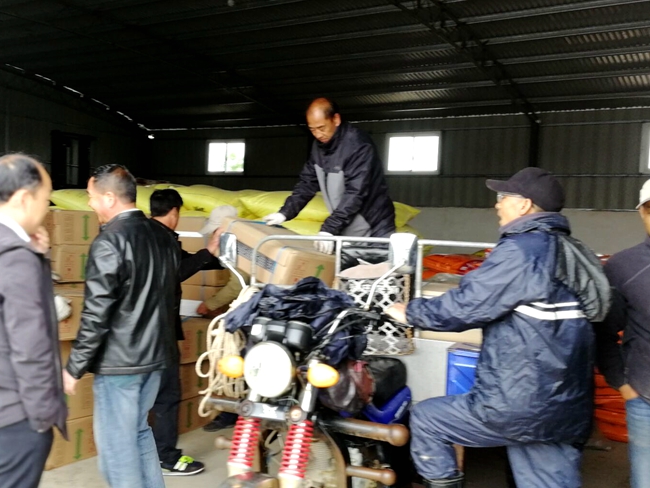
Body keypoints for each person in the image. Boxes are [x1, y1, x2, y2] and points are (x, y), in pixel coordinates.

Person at [386, 167, 611, 488]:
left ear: (524, 205)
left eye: (504, 197)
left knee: (428, 419)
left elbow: (467, 305)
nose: (497, 204)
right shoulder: (579, 253)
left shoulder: (521, 251)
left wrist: (410, 311)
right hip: (566, 409)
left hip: (518, 404)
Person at [63, 165, 180, 488]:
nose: (89, 203)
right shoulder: (163, 236)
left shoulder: (109, 241)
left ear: (109, 197)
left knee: (116, 449)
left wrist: (74, 367)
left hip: (121, 365)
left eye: (91, 196)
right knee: (139, 432)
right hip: (156, 358)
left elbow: (97, 314)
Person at [0, 154, 67, 488]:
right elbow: (30, 346)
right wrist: (41, 418)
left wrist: (39, 258)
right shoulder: (15, 257)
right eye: (46, 199)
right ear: (24, 199)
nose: (47, 208)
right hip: (14, 419)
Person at [148, 189, 224, 476]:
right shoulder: (162, 239)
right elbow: (175, 271)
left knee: (145, 396)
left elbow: (184, 261)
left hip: (140, 332)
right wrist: (209, 250)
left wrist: (214, 256)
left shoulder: (143, 234)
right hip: (158, 332)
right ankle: (166, 457)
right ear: (175, 212)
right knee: (167, 396)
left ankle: (144, 452)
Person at [263, 98, 395, 254]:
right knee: (344, 268)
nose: (318, 134)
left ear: (336, 119)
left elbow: (356, 192)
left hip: (373, 226)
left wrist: (329, 228)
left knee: (376, 267)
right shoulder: (319, 148)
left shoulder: (358, 145)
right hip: (346, 225)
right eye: (312, 130)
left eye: (321, 128)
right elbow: (307, 183)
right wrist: (284, 213)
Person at [595, 178, 650, 488]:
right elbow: (602, 332)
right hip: (645, 401)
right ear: (641, 212)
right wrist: (622, 384)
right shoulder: (623, 267)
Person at [195, 205, 250, 319]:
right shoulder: (246, 236)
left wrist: (209, 305)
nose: (213, 235)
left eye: (215, 231)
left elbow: (239, 284)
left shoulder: (238, 246)